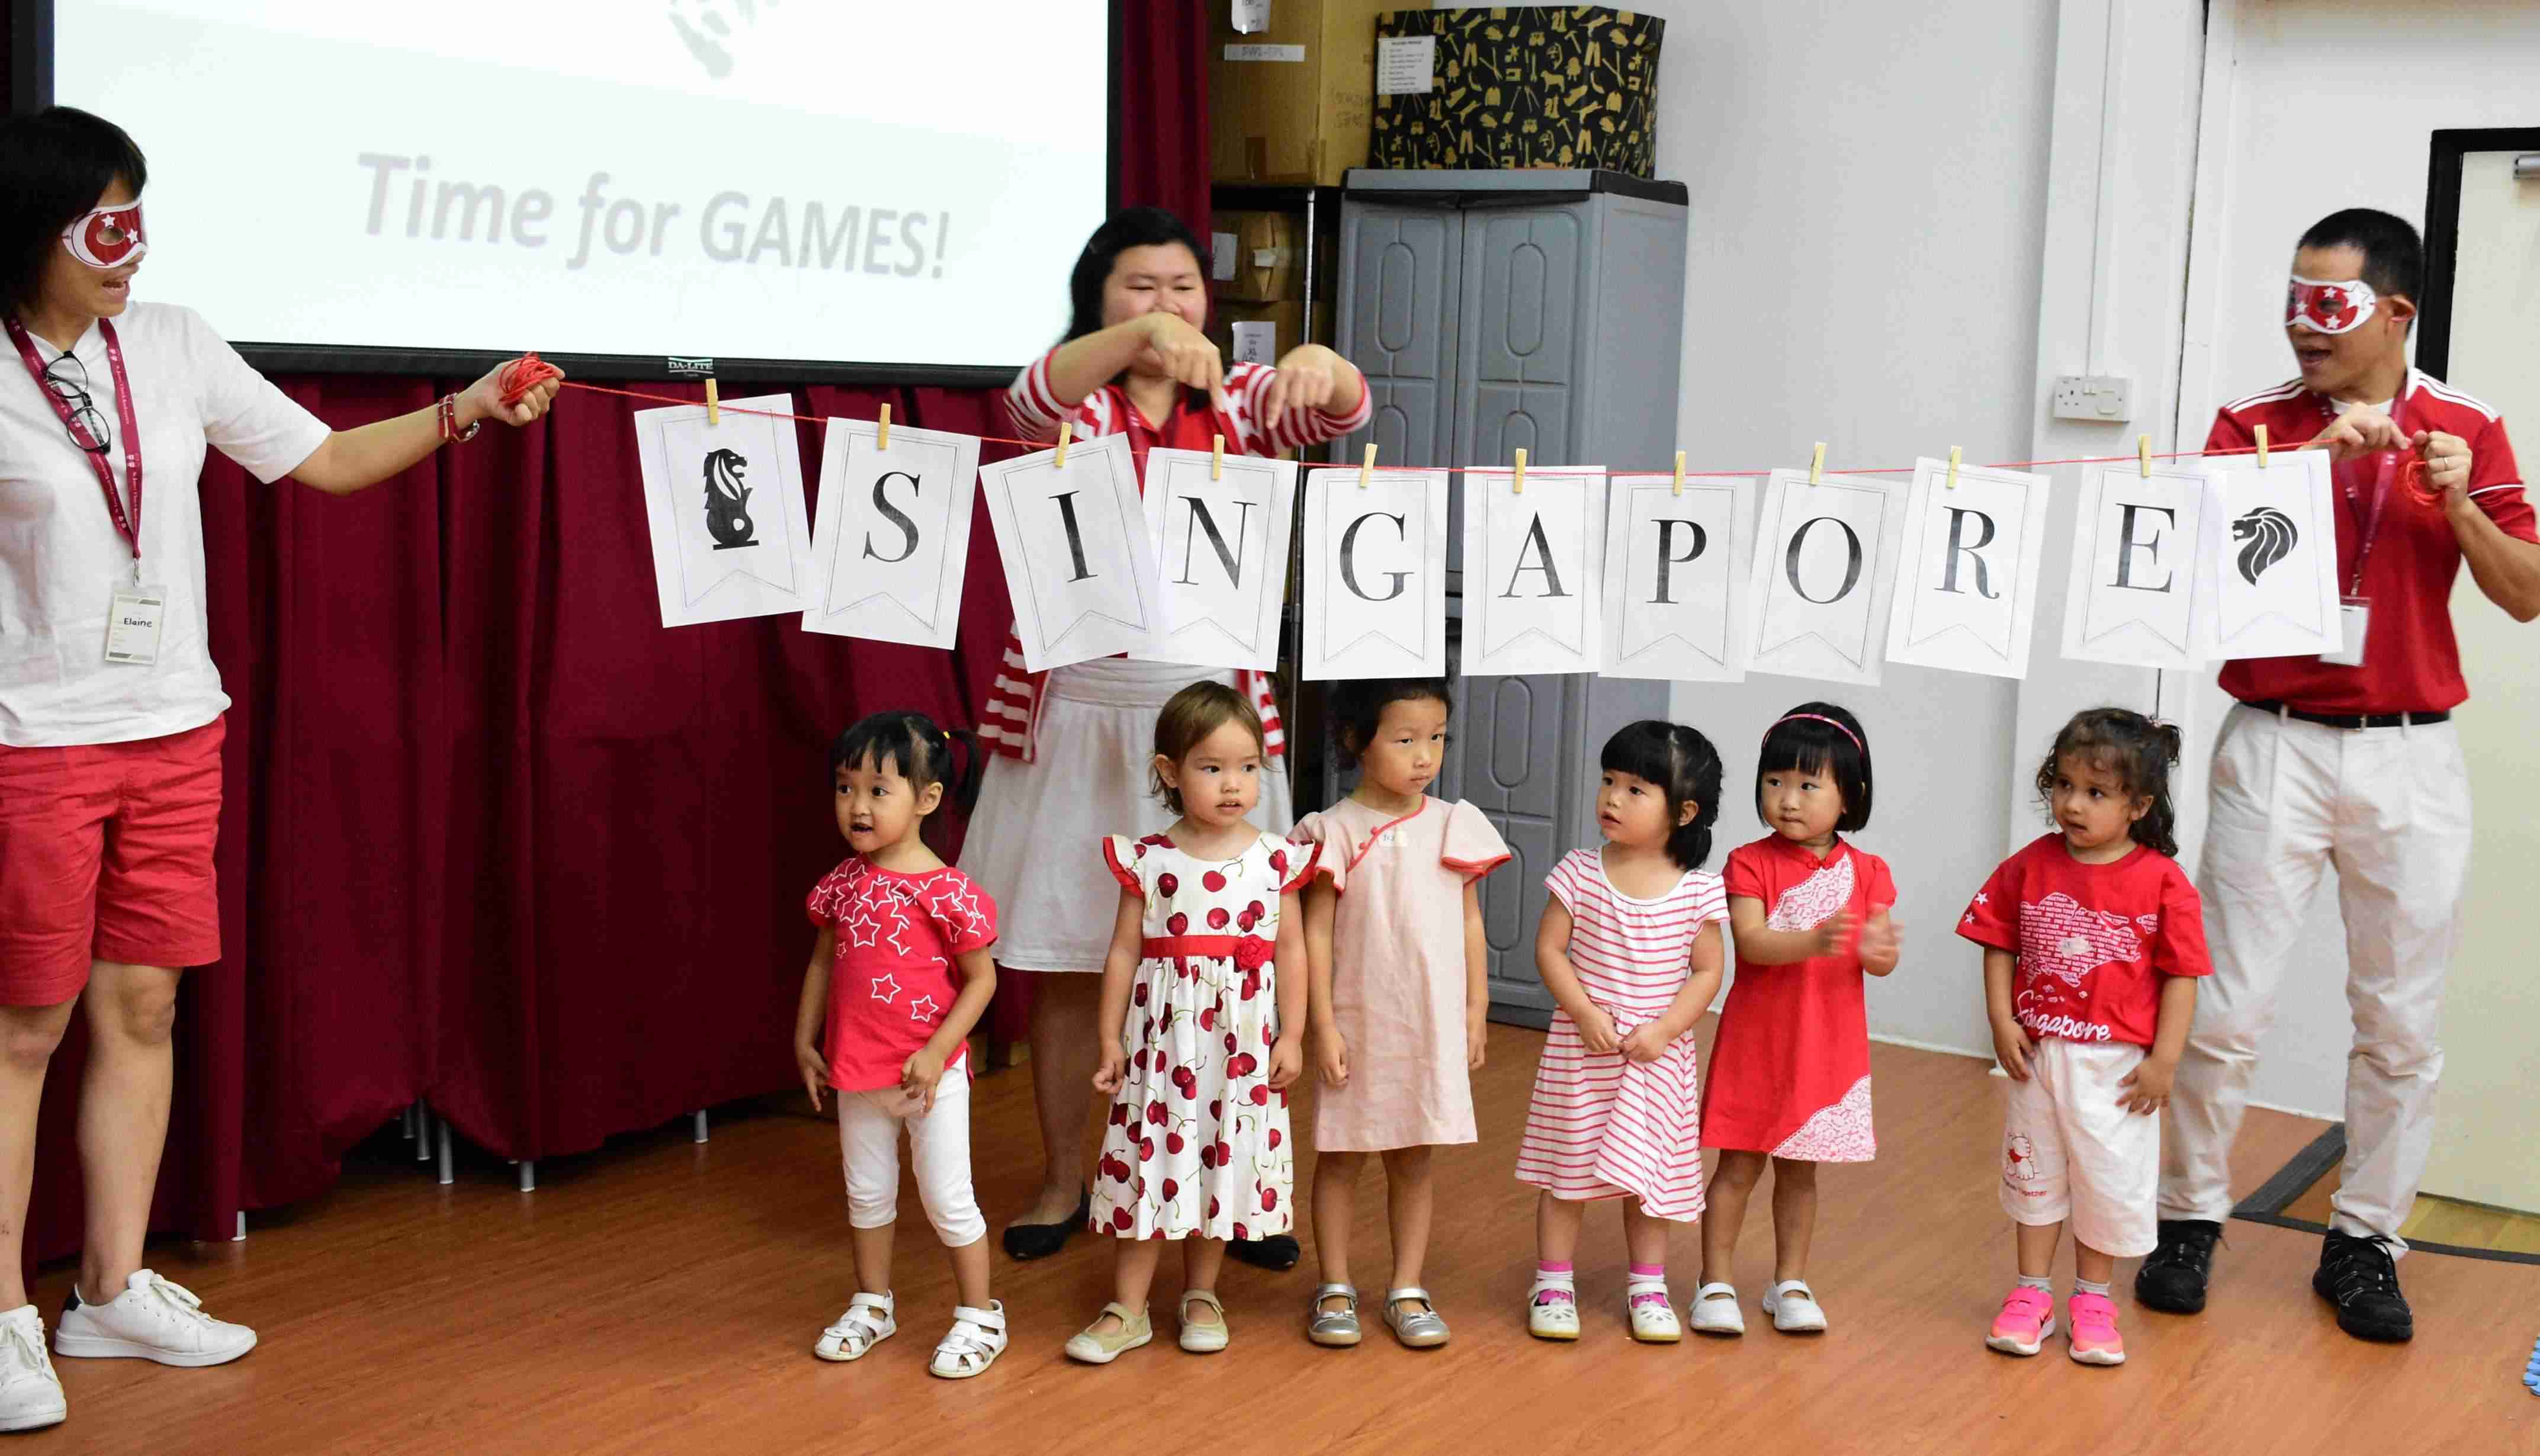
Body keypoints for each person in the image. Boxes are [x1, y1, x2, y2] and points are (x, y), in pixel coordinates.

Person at [0, 107, 560, 1433]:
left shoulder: (175, 340)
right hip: (30, 736)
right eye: (104, 227)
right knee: (24, 1026)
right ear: (34, 231)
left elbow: (325, 460)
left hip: (175, 724)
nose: (132, 251)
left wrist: (468, 409)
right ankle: (3, 1315)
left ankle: (109, 1287)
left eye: (138, 220)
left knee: (143, 1007)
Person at [2146, 208, 2539, 1345]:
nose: (2300, 326)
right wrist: (2307, 467)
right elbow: (2194, 578)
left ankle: (2364, 1238)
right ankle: (2187, 1217)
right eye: (2291, 300)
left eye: (2325, 304)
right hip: (2272, 738)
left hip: (2409, 753)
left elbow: (2523, 591)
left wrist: (2453, 499)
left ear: (2394, 312)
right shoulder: (2250, 423)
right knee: (2222, 1007)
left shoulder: (2468, 426)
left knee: (2398, 1020)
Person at [968, 207, 1368, 1274]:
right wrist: (1140, 338)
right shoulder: (1074, 396)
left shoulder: (1234, 398)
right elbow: (1029, 394)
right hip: (1080, 712)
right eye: (1138, 286)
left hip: (1215, 721)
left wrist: (1321, 360)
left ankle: (1246, 1190)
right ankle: (1065, 1177)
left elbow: (1340, 407)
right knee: (1069, 964)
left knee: (1244, 960)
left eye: (1182, 286)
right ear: (1098, 299)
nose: (1165, 305)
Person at [1064, 683, 1315, 1363]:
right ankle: (1127, 1307)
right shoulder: (1150, 859)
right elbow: (1123, 951)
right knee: (1153, 1159)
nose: (1233, 783)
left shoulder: (1274, 858)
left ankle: (1201, 1292)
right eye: (1212, 767)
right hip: (1162, 1049)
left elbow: (1291, 947)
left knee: (1219, 1157)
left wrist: (1292, 1033)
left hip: (1239, 1049)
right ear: (1170, 772)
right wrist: (1109, 1037)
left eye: (1246, 767)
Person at [1961, 709, 2209, 1368]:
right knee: (2035, 1175)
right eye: (2064, 785)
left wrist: (2164, 1060)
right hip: (2038, 1059)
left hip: (2119, 1071)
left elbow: (2182, 976)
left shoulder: (2163, 882)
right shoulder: (2029, 865)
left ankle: (2093, 1302)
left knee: (2105, 1183)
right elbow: (1997, 941)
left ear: (2138, 805)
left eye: (2095, 792)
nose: (2072, 804)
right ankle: (2030, 1293)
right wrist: (2000, 1019)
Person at [1289, 679, 1509, 1351]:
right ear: (1355, 740)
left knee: (1414, 1156)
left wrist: (1476, 1007)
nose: (1424, 755)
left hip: (1426, 1024)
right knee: (1340, 1155)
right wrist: (1321, 1024)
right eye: (1405, 738)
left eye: (1436, 737)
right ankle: (1334, 1284)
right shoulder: (1331, 830)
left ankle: (1406, 1286)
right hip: (1356, 1023)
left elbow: (1469, 923)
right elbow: (1314, 933)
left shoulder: (1452, 822)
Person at [792, 712, 1005, 1379]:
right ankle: (872, 1302)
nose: (856, 805)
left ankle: (981, 1314)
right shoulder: (843, 883)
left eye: (878, 790)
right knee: (866, 1193)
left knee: (947, 1198)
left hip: (928, 1079)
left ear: (927, 799)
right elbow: (822, 963)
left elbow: (982, 980)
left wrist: (938, 1051)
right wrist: (804, 1038)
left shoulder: (947, 891)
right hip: (856, 1072)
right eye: (845, 786)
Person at [1513, 721, 1729, 1344]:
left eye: (1635, 789)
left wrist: (1665, 1028)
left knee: (1650, 1179)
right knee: (1567, 1171)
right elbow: (1549, 949)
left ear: (1683, 811)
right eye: (1608, 780)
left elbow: (1708, 970)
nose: (1611, 796)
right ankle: (1552, 1283)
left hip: (1656, 1060)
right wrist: (1583, 1011)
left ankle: (1648, 1286)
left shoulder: (1696, 890)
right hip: (1582, 1056)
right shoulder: (1580, 872)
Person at [1693, 703, 1898, 1338]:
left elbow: (1880, 959)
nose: (1787, 798)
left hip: (1825, 1047)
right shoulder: (1747, 861)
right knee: (1737, 1167)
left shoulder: (1869, 871)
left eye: (1808, 785)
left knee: (1800, 1171)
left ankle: (1790, 1281)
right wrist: (1815, 940)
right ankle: (1714, 1281)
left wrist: (1878, 950)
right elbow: (1752, 945)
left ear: (1849, 796)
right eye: (1774, 781)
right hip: (1758, 1043)